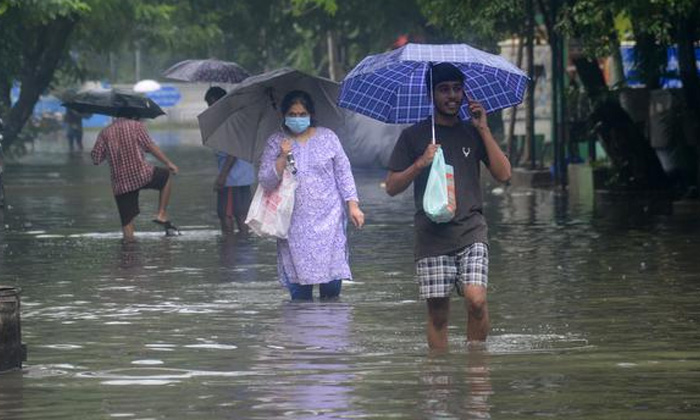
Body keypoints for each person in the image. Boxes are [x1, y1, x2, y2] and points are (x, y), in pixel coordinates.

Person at [385, 63, 512, 350]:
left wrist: (483, 129)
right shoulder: (414, 136)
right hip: (431, 237)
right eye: (443, 89)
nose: (452, 95)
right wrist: (420, 163)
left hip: (471, 230)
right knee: (438, 316)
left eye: (457, 88)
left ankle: (477, 369)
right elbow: (392, 187)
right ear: (431, 95)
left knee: (476, 300)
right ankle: (439, 381)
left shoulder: (473, 132)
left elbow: (504, 175)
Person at [259, 90, 365, 301]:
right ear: (284, 115)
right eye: (293, 114)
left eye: (302, 114)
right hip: (293, 223)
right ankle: (301, 332)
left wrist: (353, 205)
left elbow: (343, 172)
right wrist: (281, 156)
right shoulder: (276, 142)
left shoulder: (328, 137)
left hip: (330, 219)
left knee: (332, 289)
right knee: (299, 293)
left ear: (310, 114)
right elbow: (266, 181)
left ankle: (330, 331)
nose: (297, 118)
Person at [91, 111, 179, 242]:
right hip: (141, 174)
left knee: (127, 223)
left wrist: (111, 149)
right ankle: (161, 214)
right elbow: (150, 146)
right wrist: (168, 163)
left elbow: (96, 159)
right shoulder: (136, 126)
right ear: (134, 114)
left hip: (120, 183)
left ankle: (129, 255)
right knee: (165, 176)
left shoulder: (105, 132)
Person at [204, 86, 255, 235]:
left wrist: (222, 177)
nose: (209, 108)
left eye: (211, 103)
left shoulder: (228, 120)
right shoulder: (235, 118)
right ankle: (241, 249)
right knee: (241, 215)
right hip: (242, 176)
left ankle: (230, 250)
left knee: (226, 214)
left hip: (233, 178)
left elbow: (233, 151)